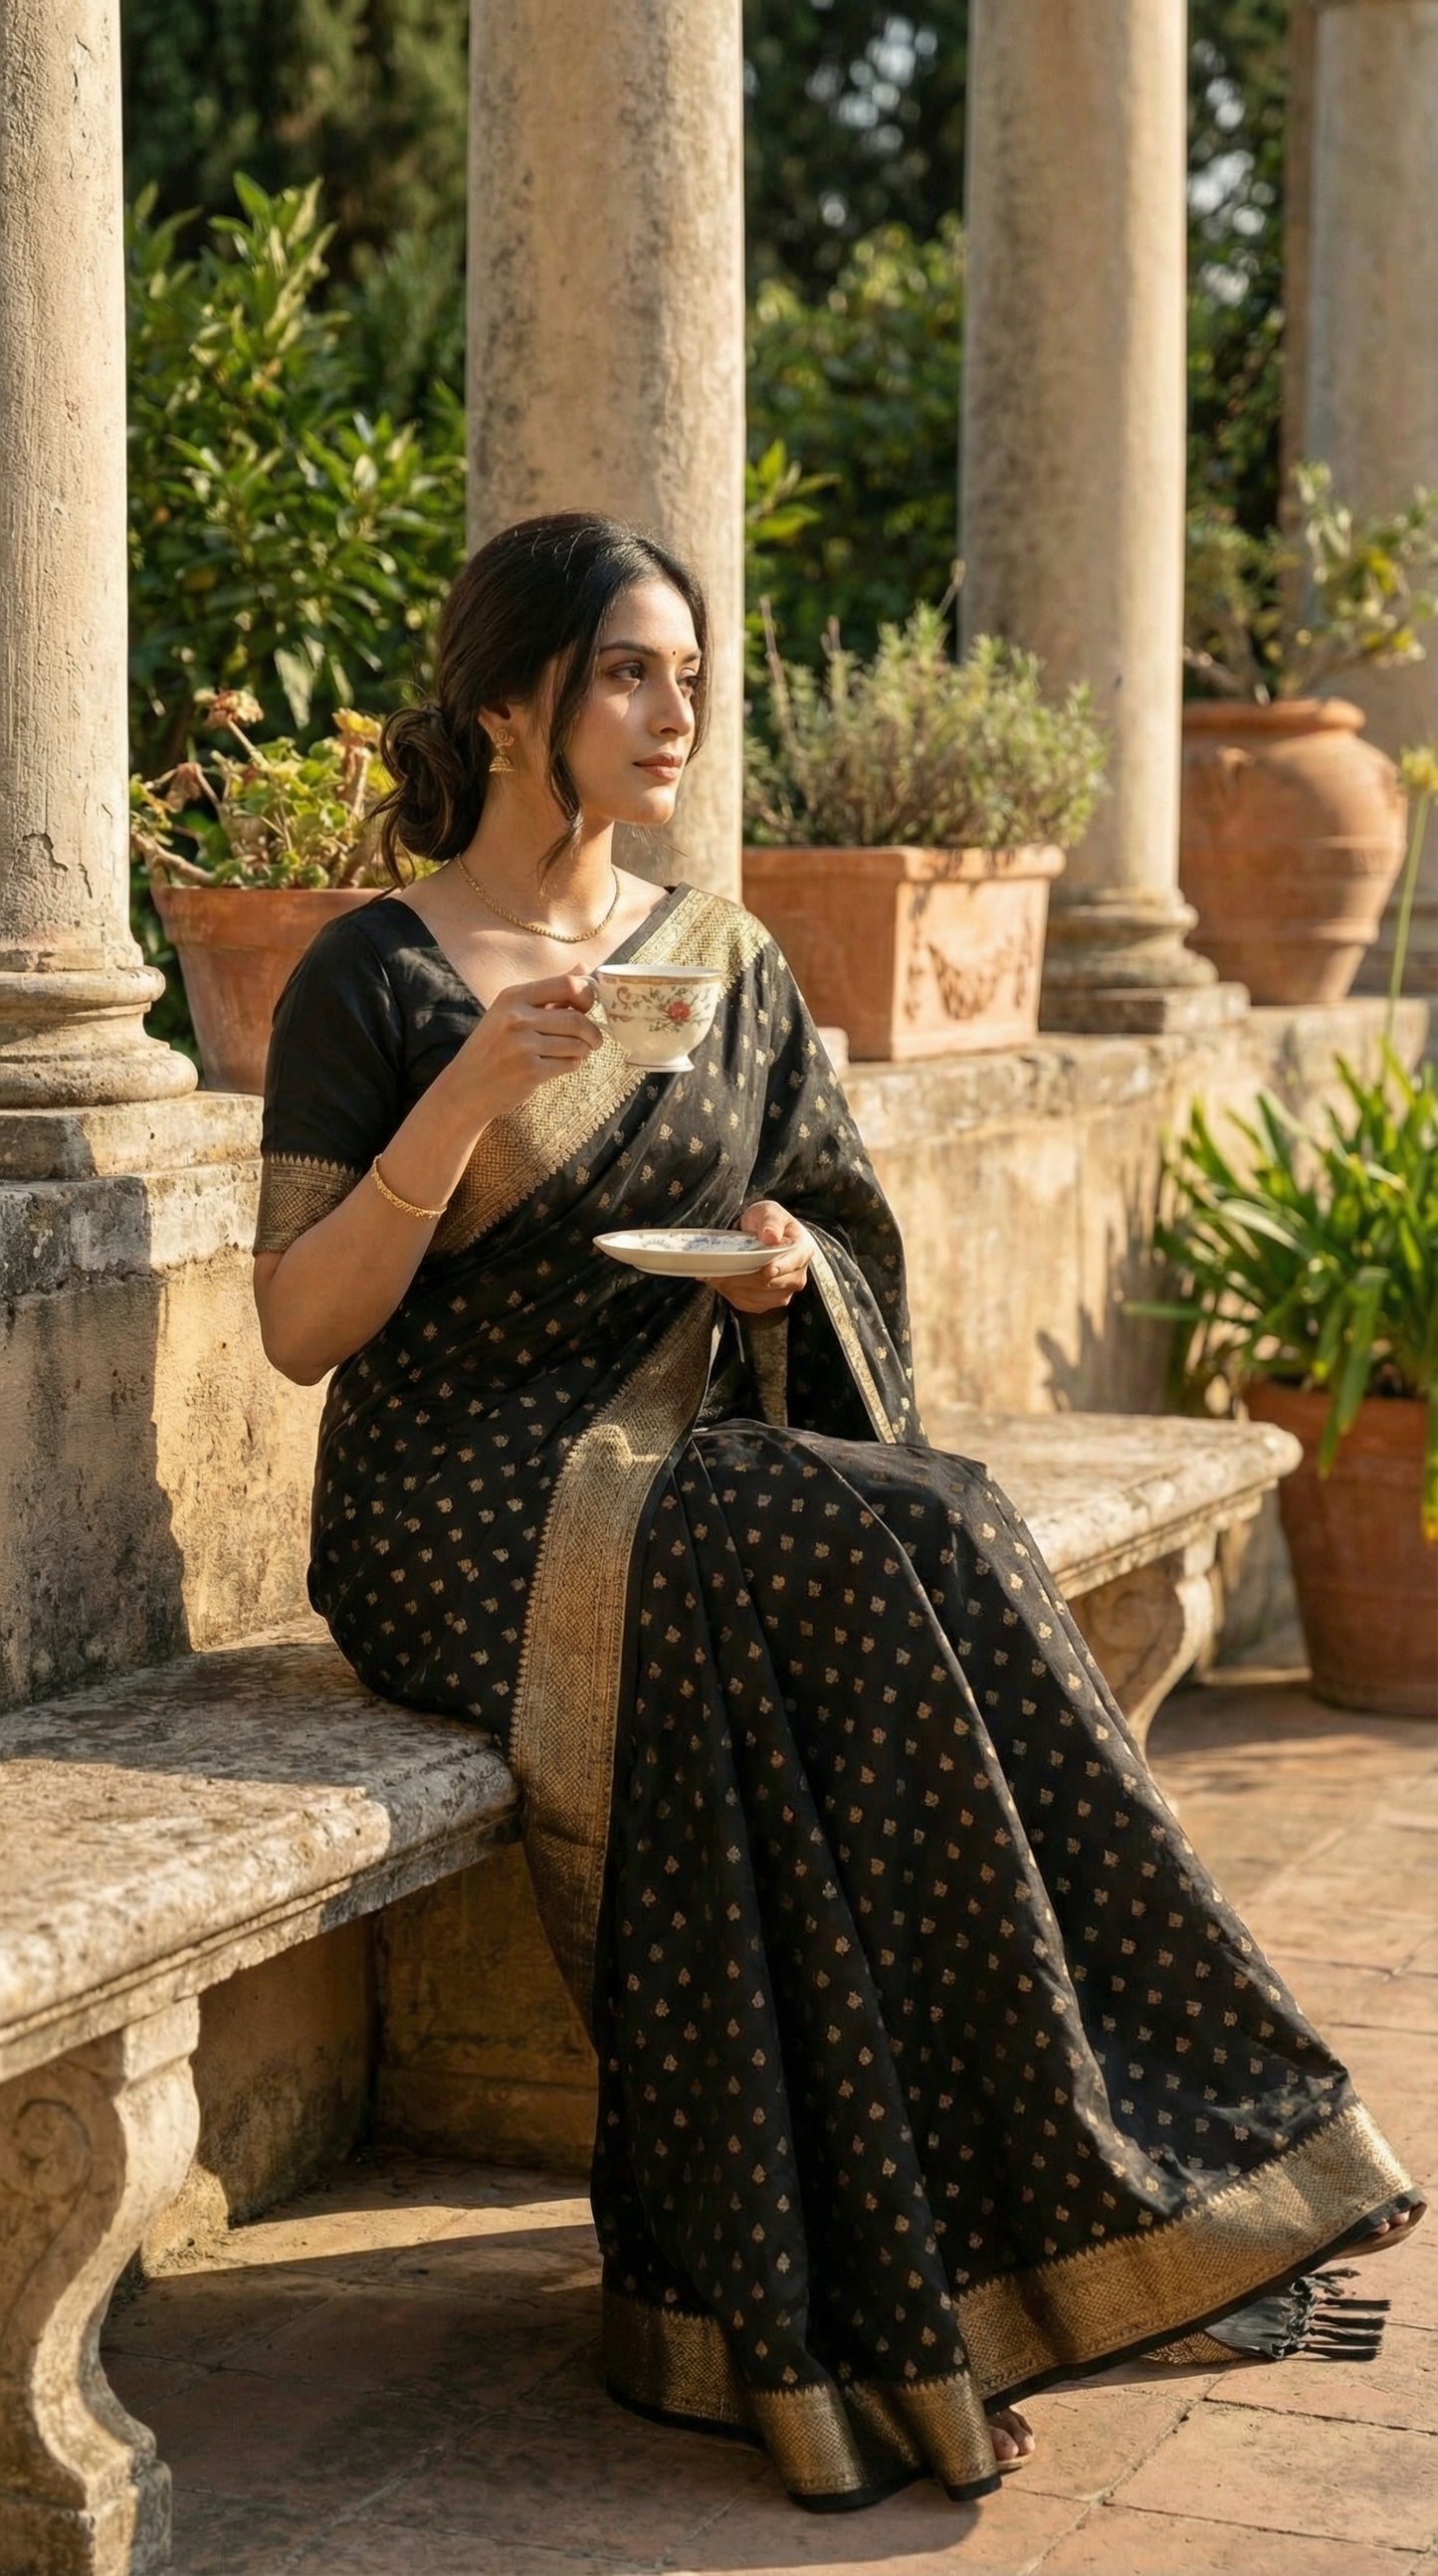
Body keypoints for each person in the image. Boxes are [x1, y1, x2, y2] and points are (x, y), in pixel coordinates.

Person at [253, 511, 1422, 2513]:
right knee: (839, 1550)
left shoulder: (722, 960)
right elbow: (298, 1328)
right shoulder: (376, 968)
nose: (672, 712)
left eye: (690, 676)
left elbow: (846, 1224)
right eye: (628, 672)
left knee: (937, 1519)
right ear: (506, 697)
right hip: (453, 1503)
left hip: (678, 1466)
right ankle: (1004, 2216)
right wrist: (460, 1105)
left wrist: (789, 1265)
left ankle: (1120, 2176)